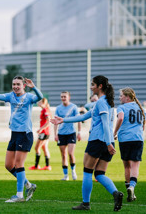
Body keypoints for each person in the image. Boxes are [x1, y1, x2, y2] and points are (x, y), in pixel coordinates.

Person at [51, 75, 123, 211]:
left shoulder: (101, 102)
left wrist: (108, 143)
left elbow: (106, 124)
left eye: (92, 84)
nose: (91, 87)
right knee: (100, 174)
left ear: (99, 86)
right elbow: (84, 116)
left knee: (87, 171)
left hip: (98, 141)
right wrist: (63, 120)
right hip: (106, 141)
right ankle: (115, 193)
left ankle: (85, 203)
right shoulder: (106, 102)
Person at [0, 76, 43, 203]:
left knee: (19, 165)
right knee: (9, 165)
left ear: (23, 86)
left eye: (18, 84)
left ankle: (19, 196)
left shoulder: (29, 97)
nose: (15, 86)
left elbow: (40, 97)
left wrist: (34, 88)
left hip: (25, 135)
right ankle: (29, 185)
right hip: (14, 134)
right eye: (14, 84)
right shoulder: (11, 96)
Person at [113, 87, 145, 202]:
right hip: (137, 138)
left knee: (127, 166)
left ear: (127, 97)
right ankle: (132, 187)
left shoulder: (121, 107)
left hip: (125, 139)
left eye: (121, 95)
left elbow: (120, 118)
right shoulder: (141, 108)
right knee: (135, 165)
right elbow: (143, 125)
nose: (119, 97)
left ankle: (130, 191)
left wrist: (115, 132)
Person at [53, 91, 81, 181]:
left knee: (70, 153)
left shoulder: (73, 107)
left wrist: (79, 132)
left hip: (71, 133)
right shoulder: (58, 108)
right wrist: (55, 134)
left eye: (64, 96)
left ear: (69, 97)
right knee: (63, 155)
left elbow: (79, 119)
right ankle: (65, 175)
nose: (63, 98)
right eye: (61, 97)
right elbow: (55, 122)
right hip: (61, 134)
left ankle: (73, 171)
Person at [29, 98, 51, 171]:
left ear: (43, 102)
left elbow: (48, 121)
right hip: (46, 132)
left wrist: (41, 129)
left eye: (40, 101)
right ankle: (47, 166)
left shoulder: (45, 110)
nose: (38, 103)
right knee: (44, 148)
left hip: (44, 132)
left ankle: (36, 165)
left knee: (36, 148)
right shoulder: (44, 110)